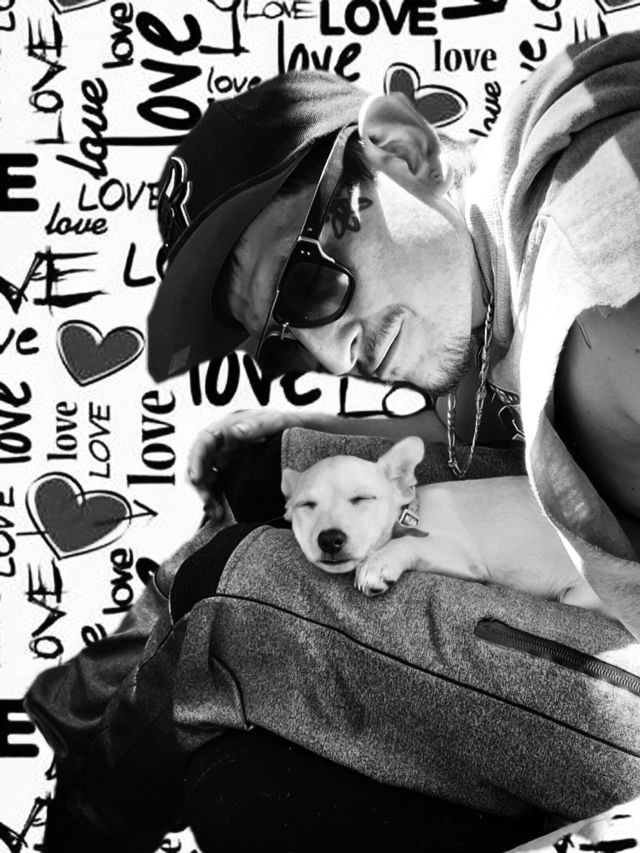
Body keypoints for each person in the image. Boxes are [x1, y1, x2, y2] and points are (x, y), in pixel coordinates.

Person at [26, 30, 640, 853]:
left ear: (402, 150)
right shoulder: (504, 279)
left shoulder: (596, 281)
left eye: (307, 283)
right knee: (240, 783)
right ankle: (91, 721)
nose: (333, 356)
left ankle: (86, 801)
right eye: (284, 348)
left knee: (231, 596)